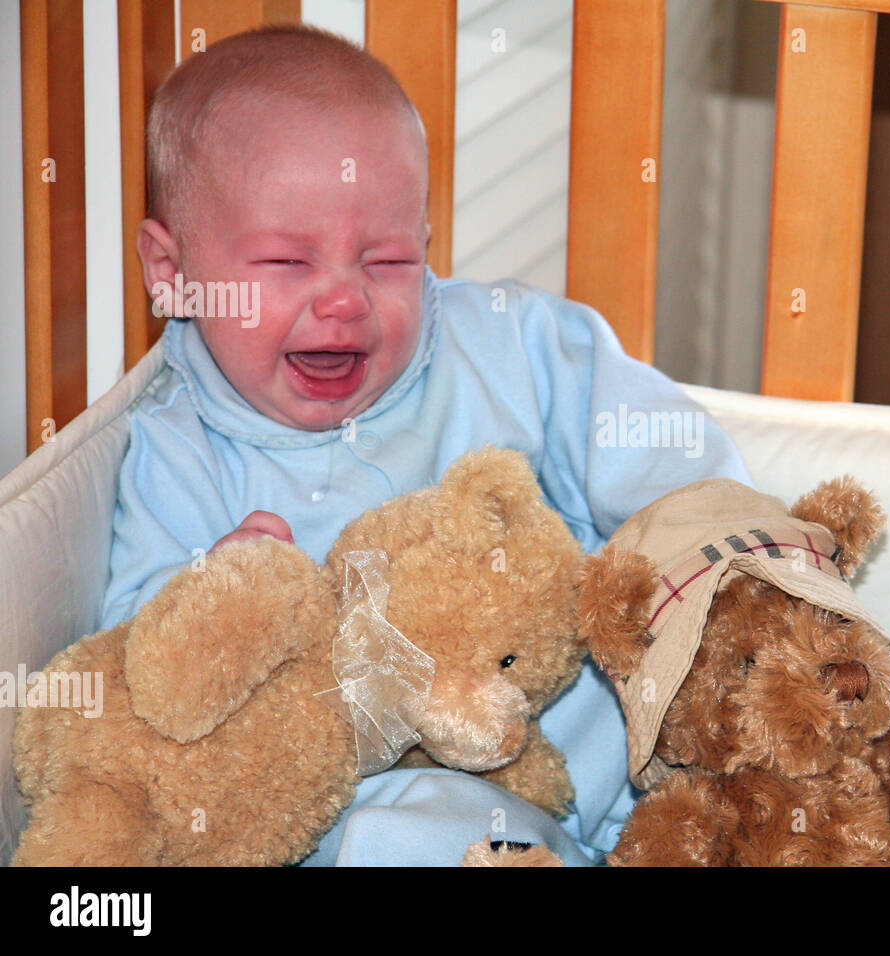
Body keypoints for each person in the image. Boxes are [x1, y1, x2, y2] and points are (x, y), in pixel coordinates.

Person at [101, 23, 753, 865]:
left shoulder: (511, 347)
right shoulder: (177, 446)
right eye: (288, 262)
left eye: (386, 260)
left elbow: (686, 476)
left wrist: (720, 584)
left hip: (639, 785)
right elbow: (139, 674)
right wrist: (221, 598)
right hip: (416, 813)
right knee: (389, 838)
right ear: (171, 271)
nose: (343, 301)